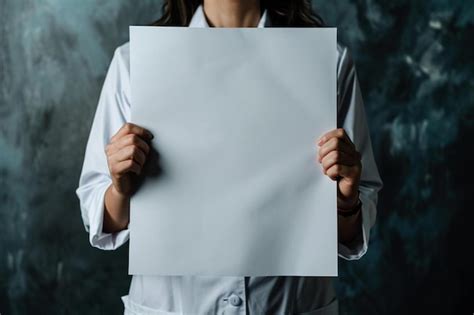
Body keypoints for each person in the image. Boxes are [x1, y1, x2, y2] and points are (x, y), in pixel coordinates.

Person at [76, 0, 383, 314]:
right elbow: (99, 217)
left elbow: (353, 230)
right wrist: (120, 190)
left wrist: (346, 201)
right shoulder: (136, 62)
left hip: (290, 304)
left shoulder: (326, 62)